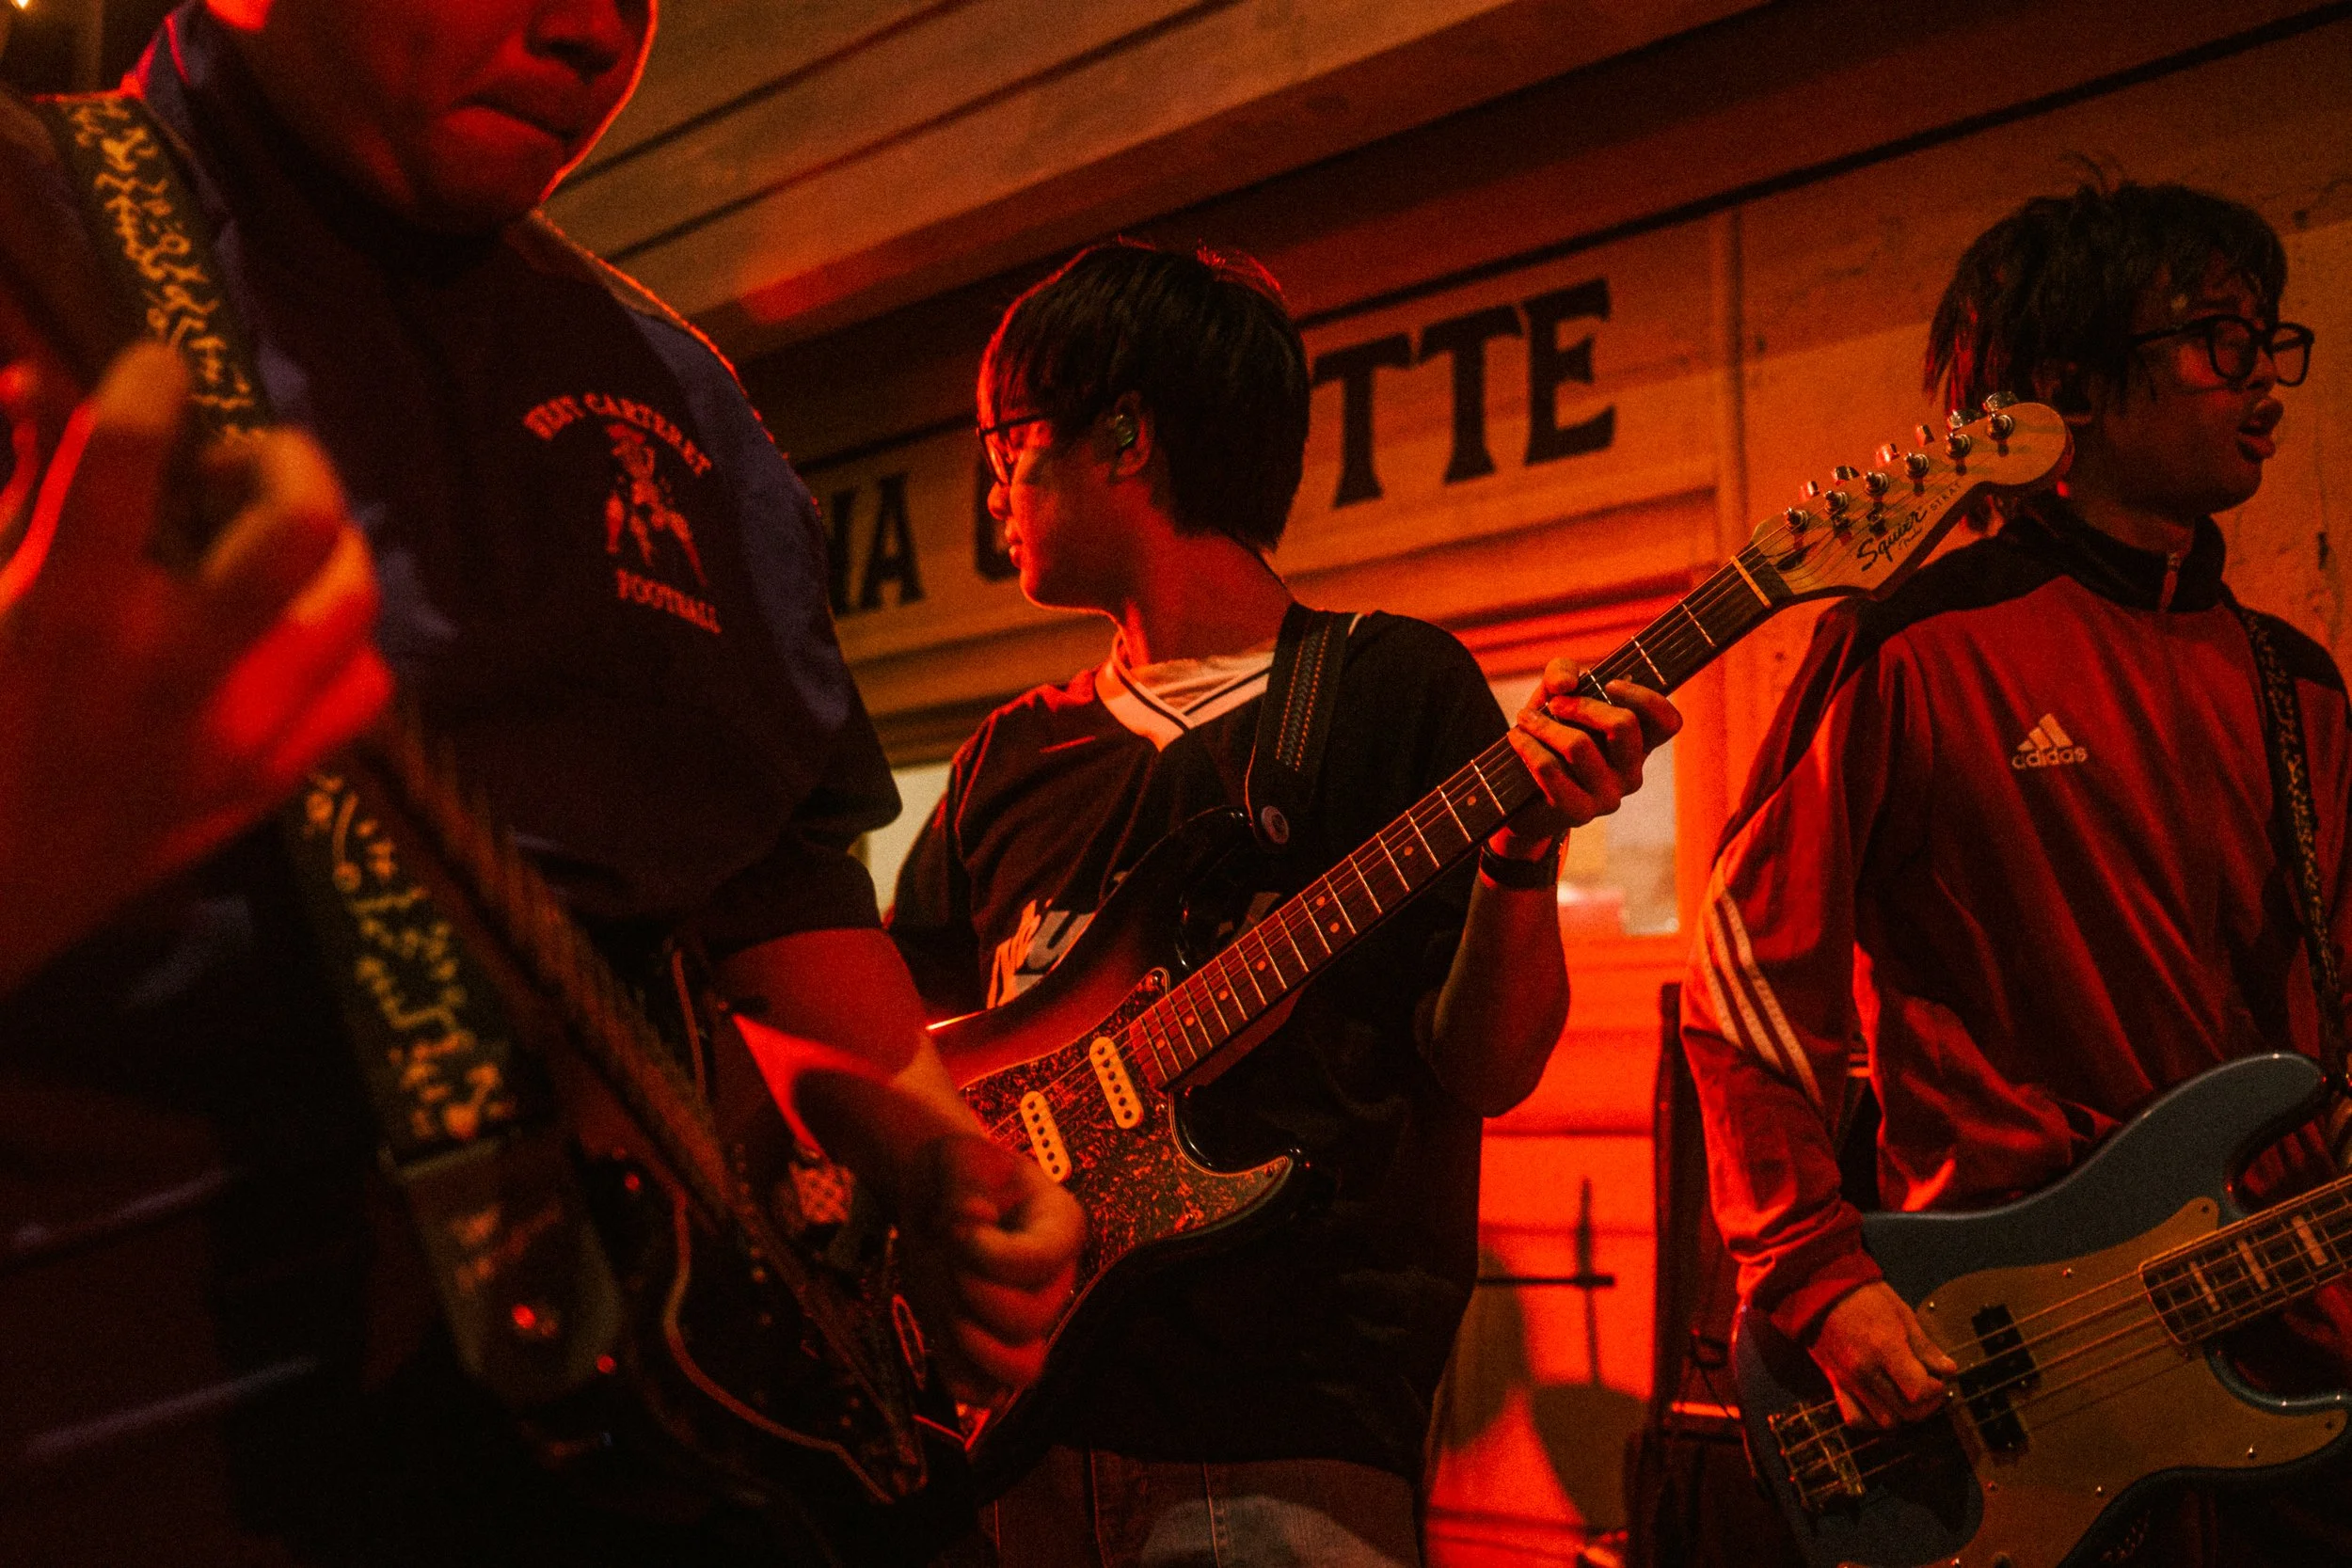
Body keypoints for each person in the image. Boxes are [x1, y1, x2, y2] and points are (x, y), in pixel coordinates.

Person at [0, 2, 1079, 1563]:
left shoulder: (678, 397)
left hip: (682, 1453)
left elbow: (776, 899)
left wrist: (925, 1153)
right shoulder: (36, 235)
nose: (592, 32)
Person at [886, 241, 1680, 1567]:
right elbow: (900, 1051)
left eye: (1008, 441)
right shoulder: (1005, 757)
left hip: (1288, 1436)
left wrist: (1522, 851)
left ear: (1125, 437)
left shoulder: (1390, 689)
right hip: (1012, 1443)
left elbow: (1490, 1066)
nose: (994, 487)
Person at [1681, 179, 2351, 1564]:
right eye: (2218, 336)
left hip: (2288, 1333)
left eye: (2269, 337)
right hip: (2008, 1351)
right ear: (2067, 387)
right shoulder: (1913, 647)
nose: (2265, 379)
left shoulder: (2299, 686)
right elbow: (1749, 979)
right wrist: (1817, 1277)